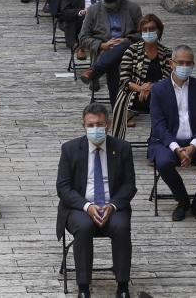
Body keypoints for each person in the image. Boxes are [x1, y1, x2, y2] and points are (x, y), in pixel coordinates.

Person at [56, 103, 136, 298]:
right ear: (83, 125)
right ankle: (83, 287)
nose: (95, 129)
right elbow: (63, 187)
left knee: (121, 227)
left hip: (112, 205)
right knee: (83, 228)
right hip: (80, 207)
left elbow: (129, 185)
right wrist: (87, 206)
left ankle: (123, 286)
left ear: (108, 124)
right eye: (90, 125)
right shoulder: (70, 149)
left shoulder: (122, 148)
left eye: (99, 124)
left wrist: (113, 205)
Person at [149, 45, 196, 222]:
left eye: (188, 63)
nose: (184, 66)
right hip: (167, 142)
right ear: (172, 63)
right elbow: (158, 125)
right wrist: (177, 149)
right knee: (164, 162)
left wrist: (193, 147)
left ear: (193, 65)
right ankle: (183, 201)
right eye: (180, 62)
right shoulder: (158, 89)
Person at [78, 0, 143, 105]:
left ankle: (95, 71)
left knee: (119, 51)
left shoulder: (132, 8)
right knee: (113, 61)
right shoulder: (93, 10)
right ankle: (118, 107)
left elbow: (143, 32)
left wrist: (126, 40)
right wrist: (102, 45)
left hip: (129, 49)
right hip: (104, 50)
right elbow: (83, 37)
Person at [109, 14, 172, 138]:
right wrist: (141, 88)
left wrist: (152, 87)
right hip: (133, 93)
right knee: (123, 98)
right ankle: (118, 140)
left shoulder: (167, 53)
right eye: (145, 30)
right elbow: (124, 79)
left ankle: (158, 140)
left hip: (158, 93)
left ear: (159, 31)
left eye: (152, 29)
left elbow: (168, 78)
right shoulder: (132, 50)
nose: (148, 32)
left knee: (169, 102)